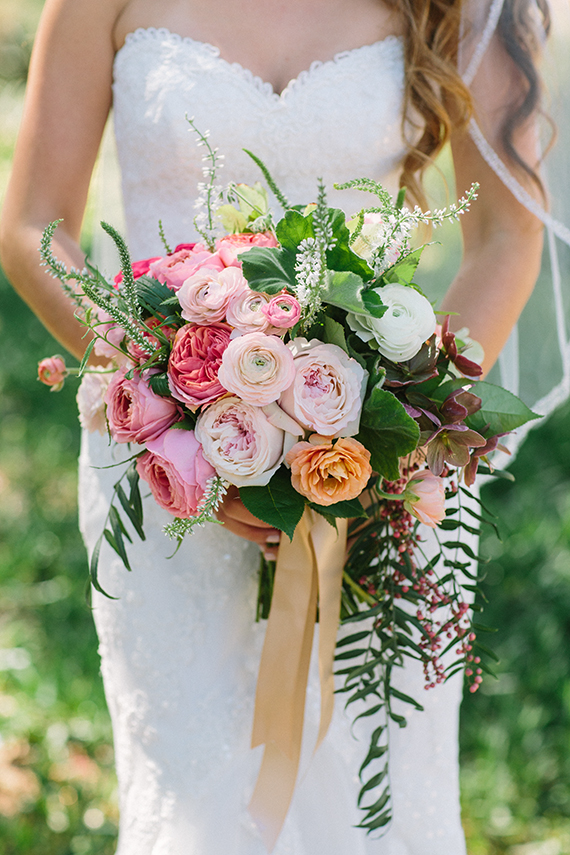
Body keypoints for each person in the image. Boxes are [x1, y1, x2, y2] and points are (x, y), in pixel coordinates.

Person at [0, 1, 553, 853]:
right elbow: (33, 221)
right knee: (196, 794)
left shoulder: (456, 5)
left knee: (376, 793)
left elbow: (506, 238)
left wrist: (402, 439)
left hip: (379, 473)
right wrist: (161, 401)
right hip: (164, 467)